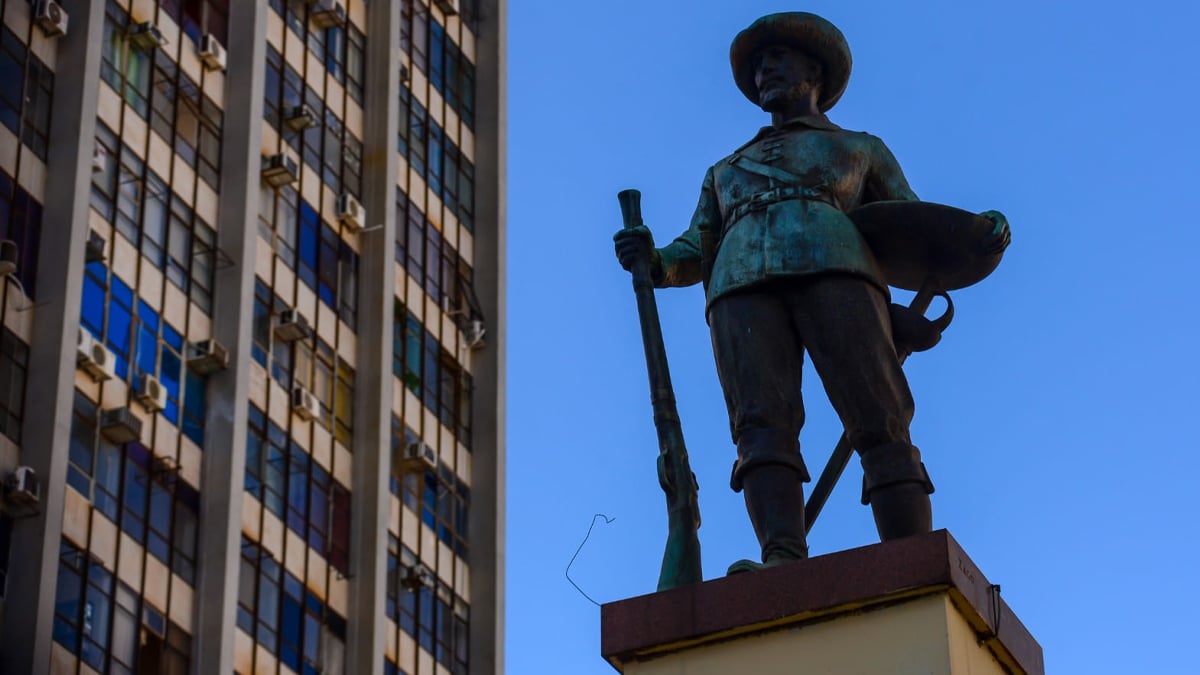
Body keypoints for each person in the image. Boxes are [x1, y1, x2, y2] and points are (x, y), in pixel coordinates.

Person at [614, 12, 1009, 573]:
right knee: (759, 425)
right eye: (757, 66)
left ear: (815, 70)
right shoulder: (724, 171)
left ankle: (909, 557)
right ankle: (781, 555)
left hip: (839, 271)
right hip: (739, 286)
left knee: (878, 413)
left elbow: (912, 225)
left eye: (778, 59)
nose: (764, 72)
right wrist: (652, 260)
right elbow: (695, 248)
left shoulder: (860, 148)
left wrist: (979, 232)